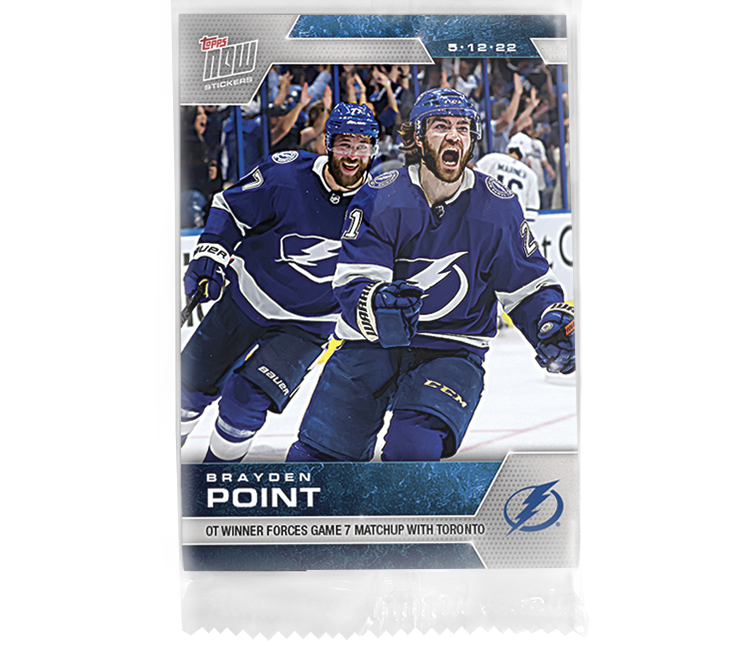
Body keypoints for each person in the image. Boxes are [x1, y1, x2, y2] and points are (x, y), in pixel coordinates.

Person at [287, 88, 574, 463]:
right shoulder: (382, 195)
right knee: (316, 461)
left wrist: (547, 323)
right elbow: (354, 281)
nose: (454, 136)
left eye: (462, 128)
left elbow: (528, 287)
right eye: (441, 126)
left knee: (412, 453)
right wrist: (376, 304)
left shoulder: (497, 206)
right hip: (371, 345)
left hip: (453, 348)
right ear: (417, 138)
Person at [180, 103, 380, 463]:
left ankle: (216, 476)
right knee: (187, 392)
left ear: (373, 150)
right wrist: (210, 252)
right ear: (327, 144)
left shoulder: (382, 205)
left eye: (362, 146)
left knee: (245, 401)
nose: (353, 155)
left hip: (308, 324)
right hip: (245, 300)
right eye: (344, 144)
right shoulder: (286, 174)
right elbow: (231, 208)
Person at [474, 143, 540, 223]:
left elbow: (472, 182)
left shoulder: (490, 159)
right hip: (512, 221)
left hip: (486, 215)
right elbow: (531, 211)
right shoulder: (530, 174)